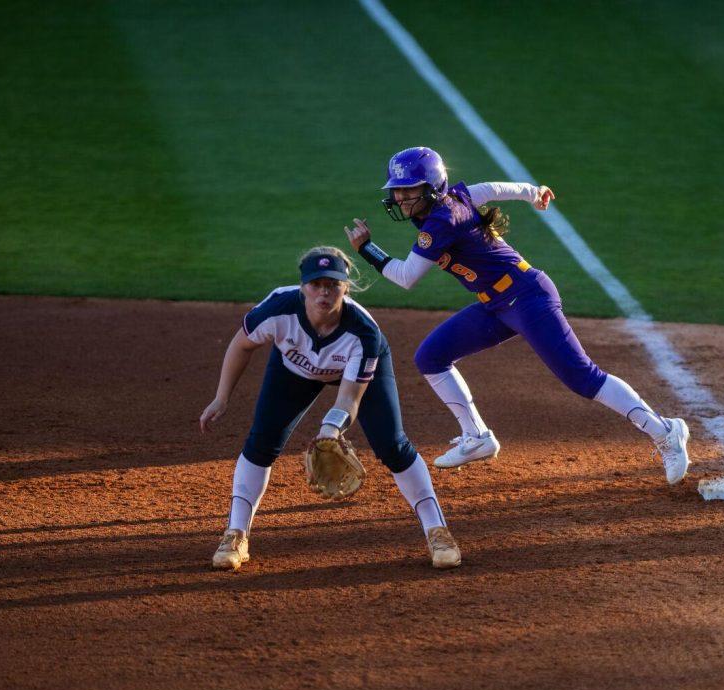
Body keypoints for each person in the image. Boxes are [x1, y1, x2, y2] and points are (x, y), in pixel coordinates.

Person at [344, 147, 690, 483]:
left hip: (527, 298)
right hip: (496, 304)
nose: (401, 197)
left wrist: (367, 250)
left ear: (433, 188)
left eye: (409, 189)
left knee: (582, 378)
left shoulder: (441, 221)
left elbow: (406, 277)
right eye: (398, 190)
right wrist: (532, 192)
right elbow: (493, 189)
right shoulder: (457, 199)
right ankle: (476, 436)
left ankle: (665, 431)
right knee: (431, 357)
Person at [198, 246, 461, 571]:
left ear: (346, 287)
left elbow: (349, 398)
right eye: (316, 283)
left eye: (333, 284)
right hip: (295, 370)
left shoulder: (363, 333)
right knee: (262, 441)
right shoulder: (278, 308)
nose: (324, 291)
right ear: (303, 286)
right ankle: (235, 535)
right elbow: (242, 343)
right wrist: (221, 397)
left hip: (357, 374)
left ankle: (438, 531)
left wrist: (330, 430)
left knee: (392, 445)